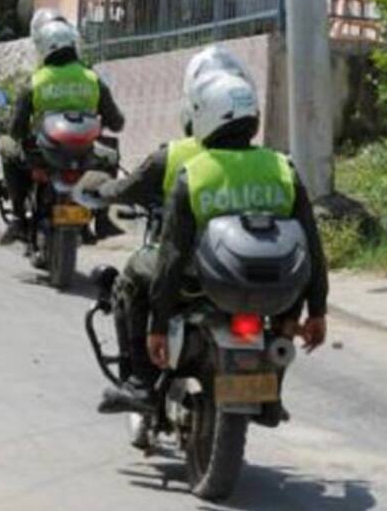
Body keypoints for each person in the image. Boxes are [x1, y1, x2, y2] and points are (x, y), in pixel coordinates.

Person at [80, 46, 258, 413]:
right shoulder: (269, 161)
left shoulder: (174, 157)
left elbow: (126, 191)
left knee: (131, 278)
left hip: (188, 271)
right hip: (241, 271)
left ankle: (140, 381)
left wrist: (99, 191)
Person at [147, 72, 329, 374]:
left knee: (134, 276)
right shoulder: (283, 169)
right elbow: (311, 247)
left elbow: (172, 256)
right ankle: (272, 386)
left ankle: (140, 381)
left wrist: (158, 327)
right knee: (286, 313)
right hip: (276, 294)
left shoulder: (194, 174)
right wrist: (318, 311)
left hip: (203, 288)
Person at [0, 12, 125, 243]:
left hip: (45, 154)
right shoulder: (91, 78)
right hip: (84, 154)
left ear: (44, 48)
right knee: (111, 155)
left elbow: (16, 130)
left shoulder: (35, 82)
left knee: (6, 147)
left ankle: (18, 218)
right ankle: (103, 218)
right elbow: (117, 122)